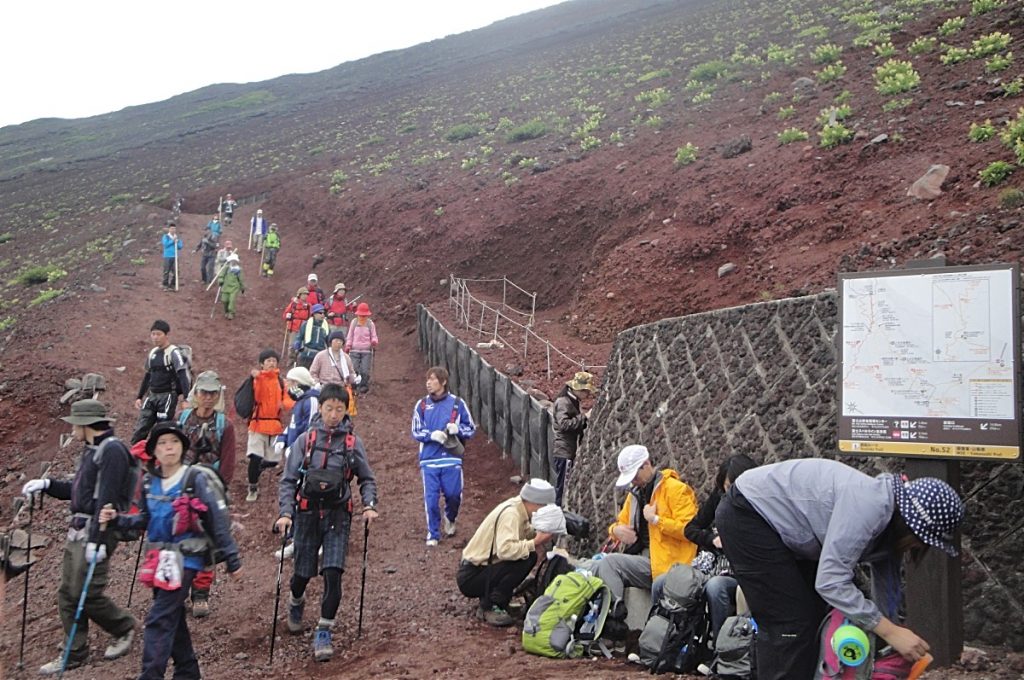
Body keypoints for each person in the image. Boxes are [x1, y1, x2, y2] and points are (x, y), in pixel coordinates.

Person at [715, 458, 965, 678]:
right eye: (921, 539)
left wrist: (892, 635)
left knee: (813, 616)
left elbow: (886, 592)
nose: (917, 546)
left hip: (783, 529)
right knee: (790, 625)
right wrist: (889, 632)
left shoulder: (889, 522)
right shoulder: (870, 506)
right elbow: (830, 581)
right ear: (911, 525)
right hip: (748, 514)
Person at [100, 423, 242, 679]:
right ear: (154, 450)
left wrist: (232, 558)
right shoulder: (149, 482)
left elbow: (217, 519)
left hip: (187, 557)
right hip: (159, 559)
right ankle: (188, 671)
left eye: (174, 442)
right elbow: (144, 519)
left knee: (158, 618)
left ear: (183, 447)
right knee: (171, 615)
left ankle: (151, 675)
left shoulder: (194, 479)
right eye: (163, 443)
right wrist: (117, 520)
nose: (169, 447)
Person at [21, 399, 137, 675]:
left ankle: (123, 627)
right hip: (80, 529)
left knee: (88, 592)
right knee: (68, 592)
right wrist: (47, 485)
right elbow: (79, 489)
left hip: (97, 532)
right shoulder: (92, 450)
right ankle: (75, 651)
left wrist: (97, 539)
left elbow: (106, 499)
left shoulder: (112, 452)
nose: (72, 429)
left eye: (75, 424)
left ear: (86, 425)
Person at [275, 383, 378, 662]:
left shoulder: (352, 443)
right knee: (303, 572)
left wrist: (369, 505)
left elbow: (366, 478)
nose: (334, 414)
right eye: (329, 408)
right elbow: (288, 480)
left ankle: (324, 629)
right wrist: (286, 512)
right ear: (320, 408)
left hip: (337, 515)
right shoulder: (306, 440)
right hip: (307, 514)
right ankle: (296, 600)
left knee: (334, 572)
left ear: (347, 411)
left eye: (339, 409)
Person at [593, 445, 699, 619]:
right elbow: (621, 521)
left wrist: (656, 520)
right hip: (647, 560)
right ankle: (613, 617)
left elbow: (690, 530)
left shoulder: (675, 489)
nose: (633, 481)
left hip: (670, 564)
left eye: (635, 476)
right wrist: (615, 530)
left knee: (610, 563)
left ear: (647, 464)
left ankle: (615, 623)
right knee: (603, 564)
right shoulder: (634, 494)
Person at [177, 370, 237, 617]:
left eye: (213, 393)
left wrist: (220, 488)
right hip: (181, 484)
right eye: (204, 392)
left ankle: (201, 593)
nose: (208, 398)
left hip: (209, 486)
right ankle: (177, 588)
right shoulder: (182, 419)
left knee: (206, 540)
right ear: (196, 394)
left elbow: (228, 459)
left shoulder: (225, 425)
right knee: (178, 536)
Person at [456, 479, 557, 627]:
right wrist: (535, 542)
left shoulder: (517, 508)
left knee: (528, 556)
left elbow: (521, 534)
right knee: (526, 558)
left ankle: (495, 599)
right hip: (471, 576)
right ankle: (490, 605)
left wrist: (538, 533)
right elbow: (506, 551)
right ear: (535, 503)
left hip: (479, 570)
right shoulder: (511, 515)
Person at [684, 453, 757, 643]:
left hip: (740, 571)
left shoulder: (758, 502)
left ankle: (721, 646)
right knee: (666, 582)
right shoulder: (719, 498)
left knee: (715, 587)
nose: (732, 493)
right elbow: (691, 529)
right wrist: (712, 538)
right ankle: (676, 647)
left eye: (735, 487)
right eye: (727, 488)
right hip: (713, 564)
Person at [411, 366, 476, 546]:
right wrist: (431, 435)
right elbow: (416, 430)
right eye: (427, 380)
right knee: (431, 499)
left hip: (451, 457)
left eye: (433, 379)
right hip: (429, 459)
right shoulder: (422, 405)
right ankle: (433, 533)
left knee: (453, 494)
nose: (429, 383)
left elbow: (470, 428)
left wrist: (458, 430)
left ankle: (450, 517)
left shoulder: (457, 403)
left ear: (443, 381)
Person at [273, 366, 321, 560]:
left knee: (305, 497)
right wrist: (282, 439)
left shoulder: (311, 400)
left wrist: (300, 451)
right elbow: (294, 425)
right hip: (293, 457)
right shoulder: (300, 402)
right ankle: (295, 537)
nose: (289, 387)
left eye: (292, 383)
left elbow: (311, 429)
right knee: (292, 495)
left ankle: (313, 540)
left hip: (306, 462)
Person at [245, 349, 294, 502]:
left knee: (273, 460)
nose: (272, 363)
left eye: (274, 360)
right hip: (258, 423)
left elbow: (289, 400)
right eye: (268, 361)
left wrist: (284, 404)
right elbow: (257, 394)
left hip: (274, 424)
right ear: (262, 364)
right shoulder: (257, 379)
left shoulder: (281, 381)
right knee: (255, 456)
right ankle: (252, 486)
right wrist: (258, 378)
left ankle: (257, 472)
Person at [132, 320, 191, 444]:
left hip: (168, 396)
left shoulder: (173, 353)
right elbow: (147, 376)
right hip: (152, 395)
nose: (155, 337)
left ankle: (159, 459)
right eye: (153, 334)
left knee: (162, 429)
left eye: (158, 334)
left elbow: (183, 375)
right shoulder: (152, 353)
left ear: (166, 335)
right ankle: (134, 456)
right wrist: (139, 396)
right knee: (141, 427)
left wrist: (187, 398)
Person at [551, 371, 595, 506]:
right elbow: (564, 425)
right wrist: (584, 417)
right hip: (564, 451)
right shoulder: (563, 402)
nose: (588, 395)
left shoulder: (571, 401)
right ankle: (559, 515)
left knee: (563, 486)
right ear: (578, 389)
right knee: (563, 488)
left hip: (567, 450)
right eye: (586, 391)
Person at [345, 303, 378, 394]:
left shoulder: (370, 324)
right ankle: (354, 384)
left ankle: (363, 385)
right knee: (353, 367)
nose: (362, 317)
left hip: (366, 350)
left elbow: (374, 335)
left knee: (365, 368)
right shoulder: (354, 322)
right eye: (361, 315)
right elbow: (350, 335)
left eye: (364, 315)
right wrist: (348, 345)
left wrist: (374, 341)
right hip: (354, 349)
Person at [296, 304, 331, 369]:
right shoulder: (306, 324)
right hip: (306, 354)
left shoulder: (326, 327)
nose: (322, 315)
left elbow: (329, 341)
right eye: (320, 313)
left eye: (324, 313)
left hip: (320, 355)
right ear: (314, 314)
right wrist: (297, 346)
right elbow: (299, 337)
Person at [283, 288, 311, 365]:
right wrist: (288, 317)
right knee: (292, 344)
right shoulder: (293, 304)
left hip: (304, 328)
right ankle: (291, 359)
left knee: (302, 344)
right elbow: (286, 313)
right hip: (294, 327)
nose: (305, 296)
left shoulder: (308, 306)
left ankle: (299, 359)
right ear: (299, 295)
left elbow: (310, 316)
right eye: (303, 294)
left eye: (306, 294)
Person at [217, 253, 245, 320]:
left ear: (236, 261)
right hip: (225, 287)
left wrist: (242, 287)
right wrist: (220, 280)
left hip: (234, 288)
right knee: (224, 300)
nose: (233, 262)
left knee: (232, 301)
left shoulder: (239, 270)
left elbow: (241, 279)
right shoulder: (226, 268)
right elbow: (221, 275)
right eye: (232, 260)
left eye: (234, 260)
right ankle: (226, 311)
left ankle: (231, 313)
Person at [161, 224, 183, 290]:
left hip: (175, 256)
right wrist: (172, 241)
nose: (173, 230)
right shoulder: (166, 237)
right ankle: (165, 284)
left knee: (176, 271)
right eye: (172, 228)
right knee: (166, 271)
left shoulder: (177, 237)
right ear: (169, 229)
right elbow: (165, 244)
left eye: (174, 229)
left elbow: (180, 247)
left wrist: (177, 242)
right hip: (167, 256)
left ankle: (173, 284)